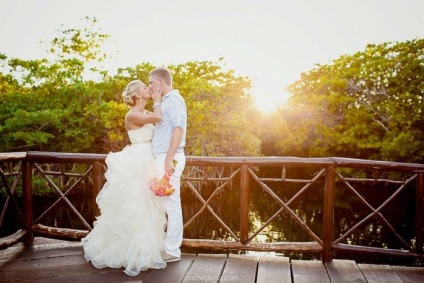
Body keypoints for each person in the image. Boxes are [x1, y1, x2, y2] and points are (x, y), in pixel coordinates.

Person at [82, 80, 167, 276]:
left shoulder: (144, 114)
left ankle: (145, 247)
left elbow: (158, 121)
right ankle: (130, 251)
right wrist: (157, 99)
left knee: (148, 204)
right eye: (146, 88)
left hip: (147, 160)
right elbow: (159, 116)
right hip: (137, 161)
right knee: (135, 203)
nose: (149, 89)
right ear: (138, 95)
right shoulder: (133, 115)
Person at [149, 67, 187, 262]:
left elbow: (178, 130)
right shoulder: (164, 101)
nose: (149, 86)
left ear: (160, 82)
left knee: (172, 206)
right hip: (163, 157)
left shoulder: (174, 101)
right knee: (160, 204)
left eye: (151, 82)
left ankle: (172, 251)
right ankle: (161, 246)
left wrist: (168, 159)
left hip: (169, 158)